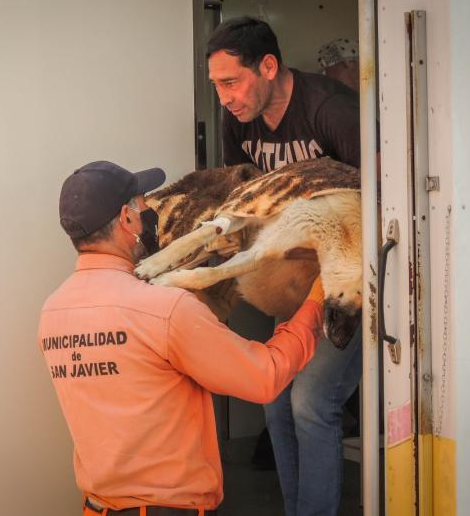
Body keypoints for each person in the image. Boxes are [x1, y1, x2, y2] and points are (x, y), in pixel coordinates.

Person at [38, 161, 328, 516]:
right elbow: (265, 376)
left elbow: (145, 359)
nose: (150, 216)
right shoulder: (165, 309)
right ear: (127, 220)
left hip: (98, 508)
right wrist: (316, 300)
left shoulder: (53, 312)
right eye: (143, 206)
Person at [207, 17, 362, 516]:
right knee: (273, 395)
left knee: (311, 403)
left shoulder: (331, 111)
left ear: (269, 66)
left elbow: (381, 205)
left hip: (347, 278)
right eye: (217, 86)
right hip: (292, 278)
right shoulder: (239, 120)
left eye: (232, 82)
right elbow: (243, 197)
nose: (225, 98)